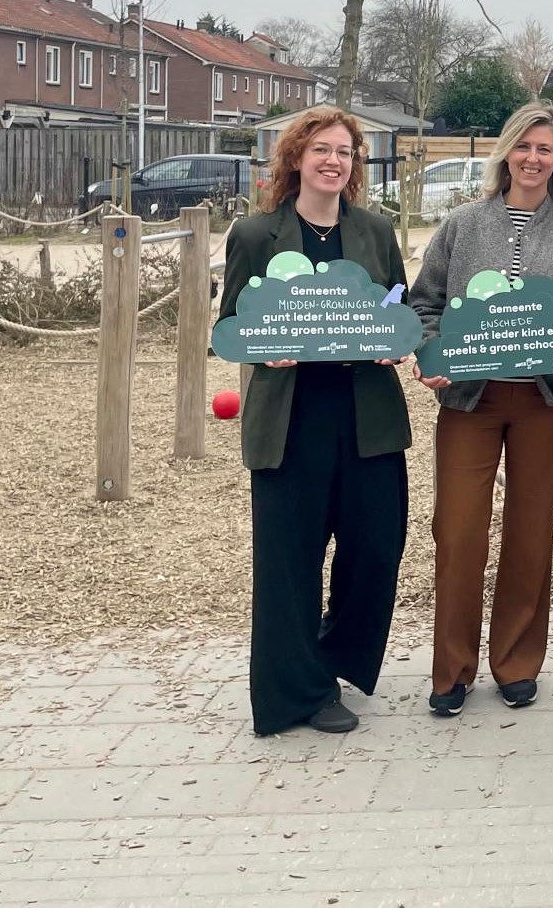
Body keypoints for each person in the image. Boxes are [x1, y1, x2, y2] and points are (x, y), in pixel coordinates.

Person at [218, 106, 413, 736]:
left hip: (367, 417)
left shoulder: (376, 234)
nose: (334, 161)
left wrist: (396, 340)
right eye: (321, 150)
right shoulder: (255, 235)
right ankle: (297, 691)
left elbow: (397, 306)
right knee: (289, 560)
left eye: (345, 152)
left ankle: (331, 659)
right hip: (292, 417)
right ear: (296, 157)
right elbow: (228, 328)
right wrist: (257, 344)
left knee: (375, 550)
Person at [412, 103, 553, 717]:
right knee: (460, 531)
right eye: (523, 147)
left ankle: (517, 664)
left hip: (543, 402)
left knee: (531, 532)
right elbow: (425, 304)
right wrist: (430, 352)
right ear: (506, 153)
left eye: (545, 149)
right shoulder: (463, 225)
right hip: (471, 399)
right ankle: (451, 671)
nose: (533, 158)